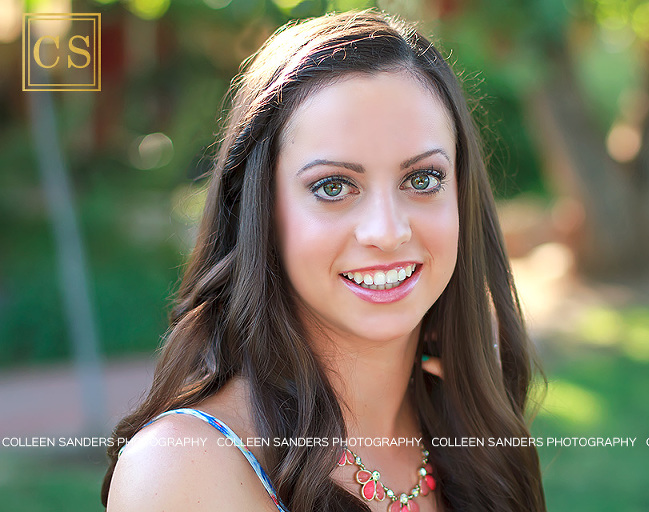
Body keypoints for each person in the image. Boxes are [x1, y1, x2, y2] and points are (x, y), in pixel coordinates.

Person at [102, 9, 546, 512]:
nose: (387, 231)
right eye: (333, 186)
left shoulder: (474, 434)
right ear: (262, 212)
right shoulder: (186, 469)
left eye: (422, 179)